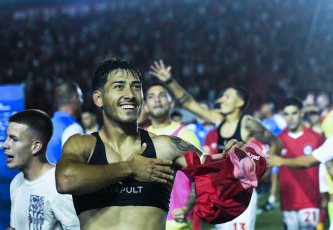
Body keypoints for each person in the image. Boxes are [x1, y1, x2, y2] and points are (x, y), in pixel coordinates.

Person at [55, 58, 265, 230]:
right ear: (98, 98)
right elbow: (65, 181)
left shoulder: (167, 146)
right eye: (119, 87)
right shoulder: (82, 144)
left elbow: (216, 174)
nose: (130, 94)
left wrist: (241, 161)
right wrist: (130, 168)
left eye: (136, 87)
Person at [150, 59, 282, 230]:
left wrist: (263, 174)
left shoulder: (248, 124)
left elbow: (276, 143)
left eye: (227, 97)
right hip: (221, 190)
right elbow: (190, 104)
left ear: (240, 103)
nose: (221, 100)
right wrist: (169, 81)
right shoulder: (219, 120)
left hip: (241, 192)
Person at [3, 109, 80, 230]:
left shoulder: (59, 187)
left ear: (35, 147)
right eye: (7, 137)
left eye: (14, 139)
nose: (5, 144)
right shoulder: (16, 182)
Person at [143, 81, 201, 229]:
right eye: (151, 96)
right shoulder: (139, 137)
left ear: (172, 103)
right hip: (145, 221)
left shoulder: (186, 135)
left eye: (162, 95)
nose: (157, 99)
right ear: (145, 106)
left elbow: (200, 176)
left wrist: (187, 208)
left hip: (177, 222)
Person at [277, 97, 325, 229]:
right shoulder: (278, 141)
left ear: (302, 113)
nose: (290, 118)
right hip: (288, 203)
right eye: (286, 114)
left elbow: (329, 166)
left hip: (310, 201)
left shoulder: (316, 138)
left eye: (294, 113)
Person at [46, 81, 85, 164]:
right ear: (75, 99)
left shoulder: (46, 125)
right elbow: (75, 170)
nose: (82, 101)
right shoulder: (73, 128)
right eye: (81, 97)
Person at [259, 102, 286, 211]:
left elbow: (285, 131)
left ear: (270, 108)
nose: (263, 110)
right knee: (273, 175)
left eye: (265, 107)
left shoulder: (278, 118)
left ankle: (273, 199)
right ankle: (272, 199)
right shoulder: (264, 122)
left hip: (282, 150)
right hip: (271, 152)